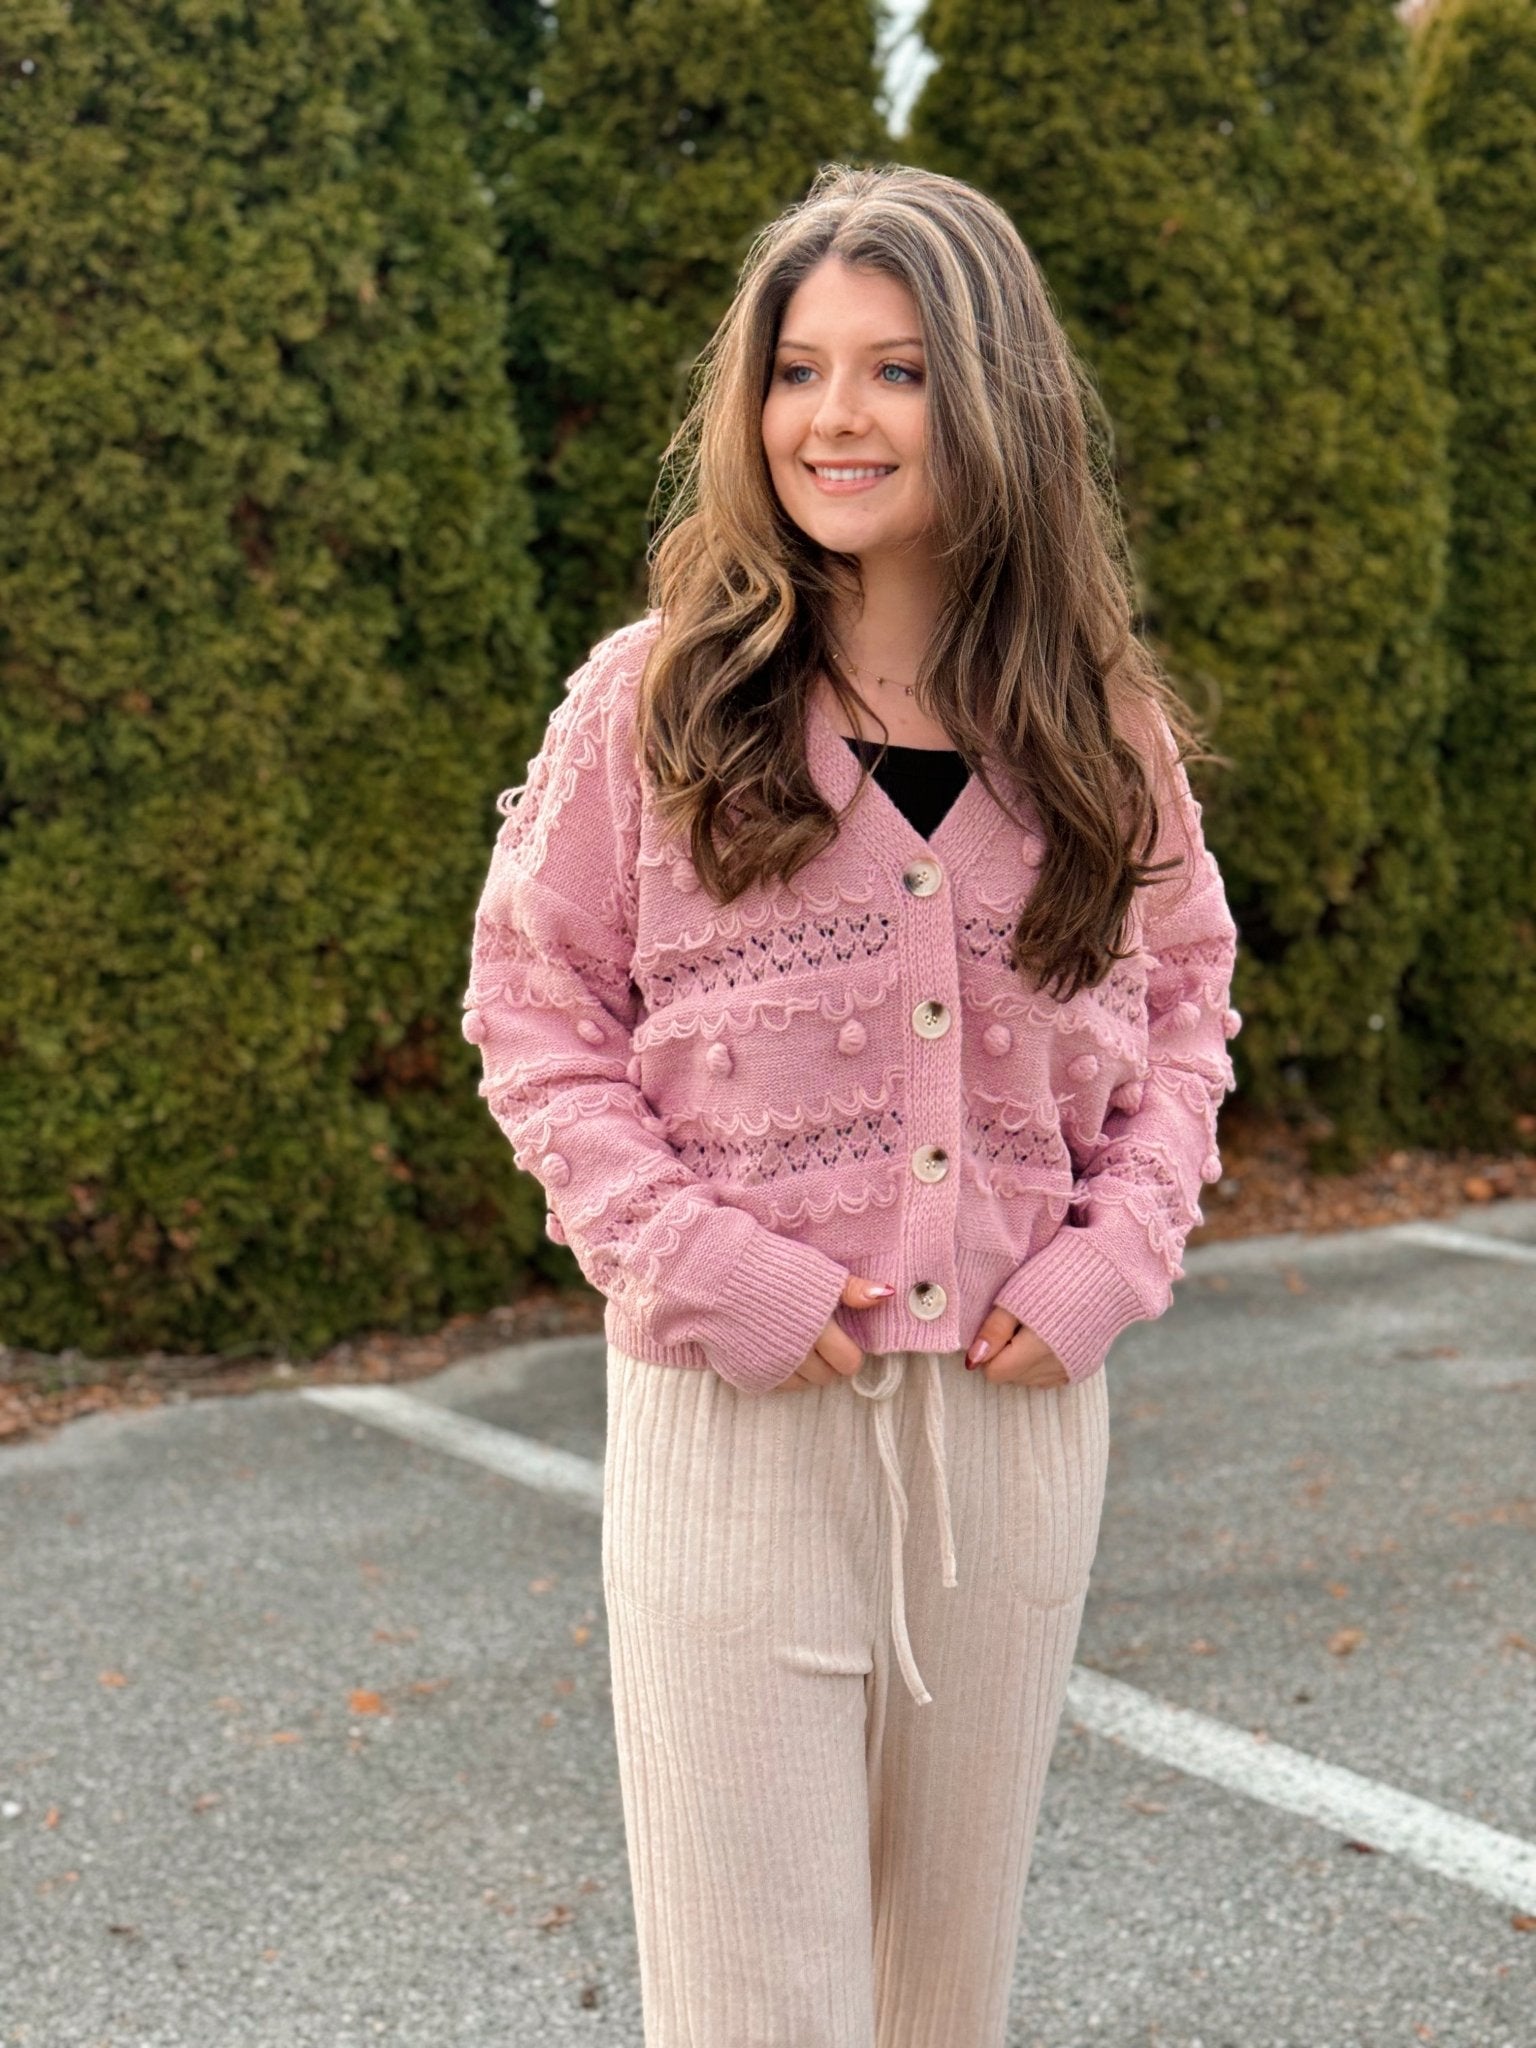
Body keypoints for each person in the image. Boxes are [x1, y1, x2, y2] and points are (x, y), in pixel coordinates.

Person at [462, 161, 1242, 2048]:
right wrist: (704, 1266)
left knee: (939, 1997)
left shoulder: (1096, 728)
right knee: (755, 2005)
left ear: (994, 401)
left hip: (1013, 1431)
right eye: (797, 370)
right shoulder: (659, 703)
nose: (834, 416)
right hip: (738, 1429)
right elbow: (534, 1012)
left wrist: (1114, 1261)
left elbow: (1188, 1011)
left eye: (895, 370)